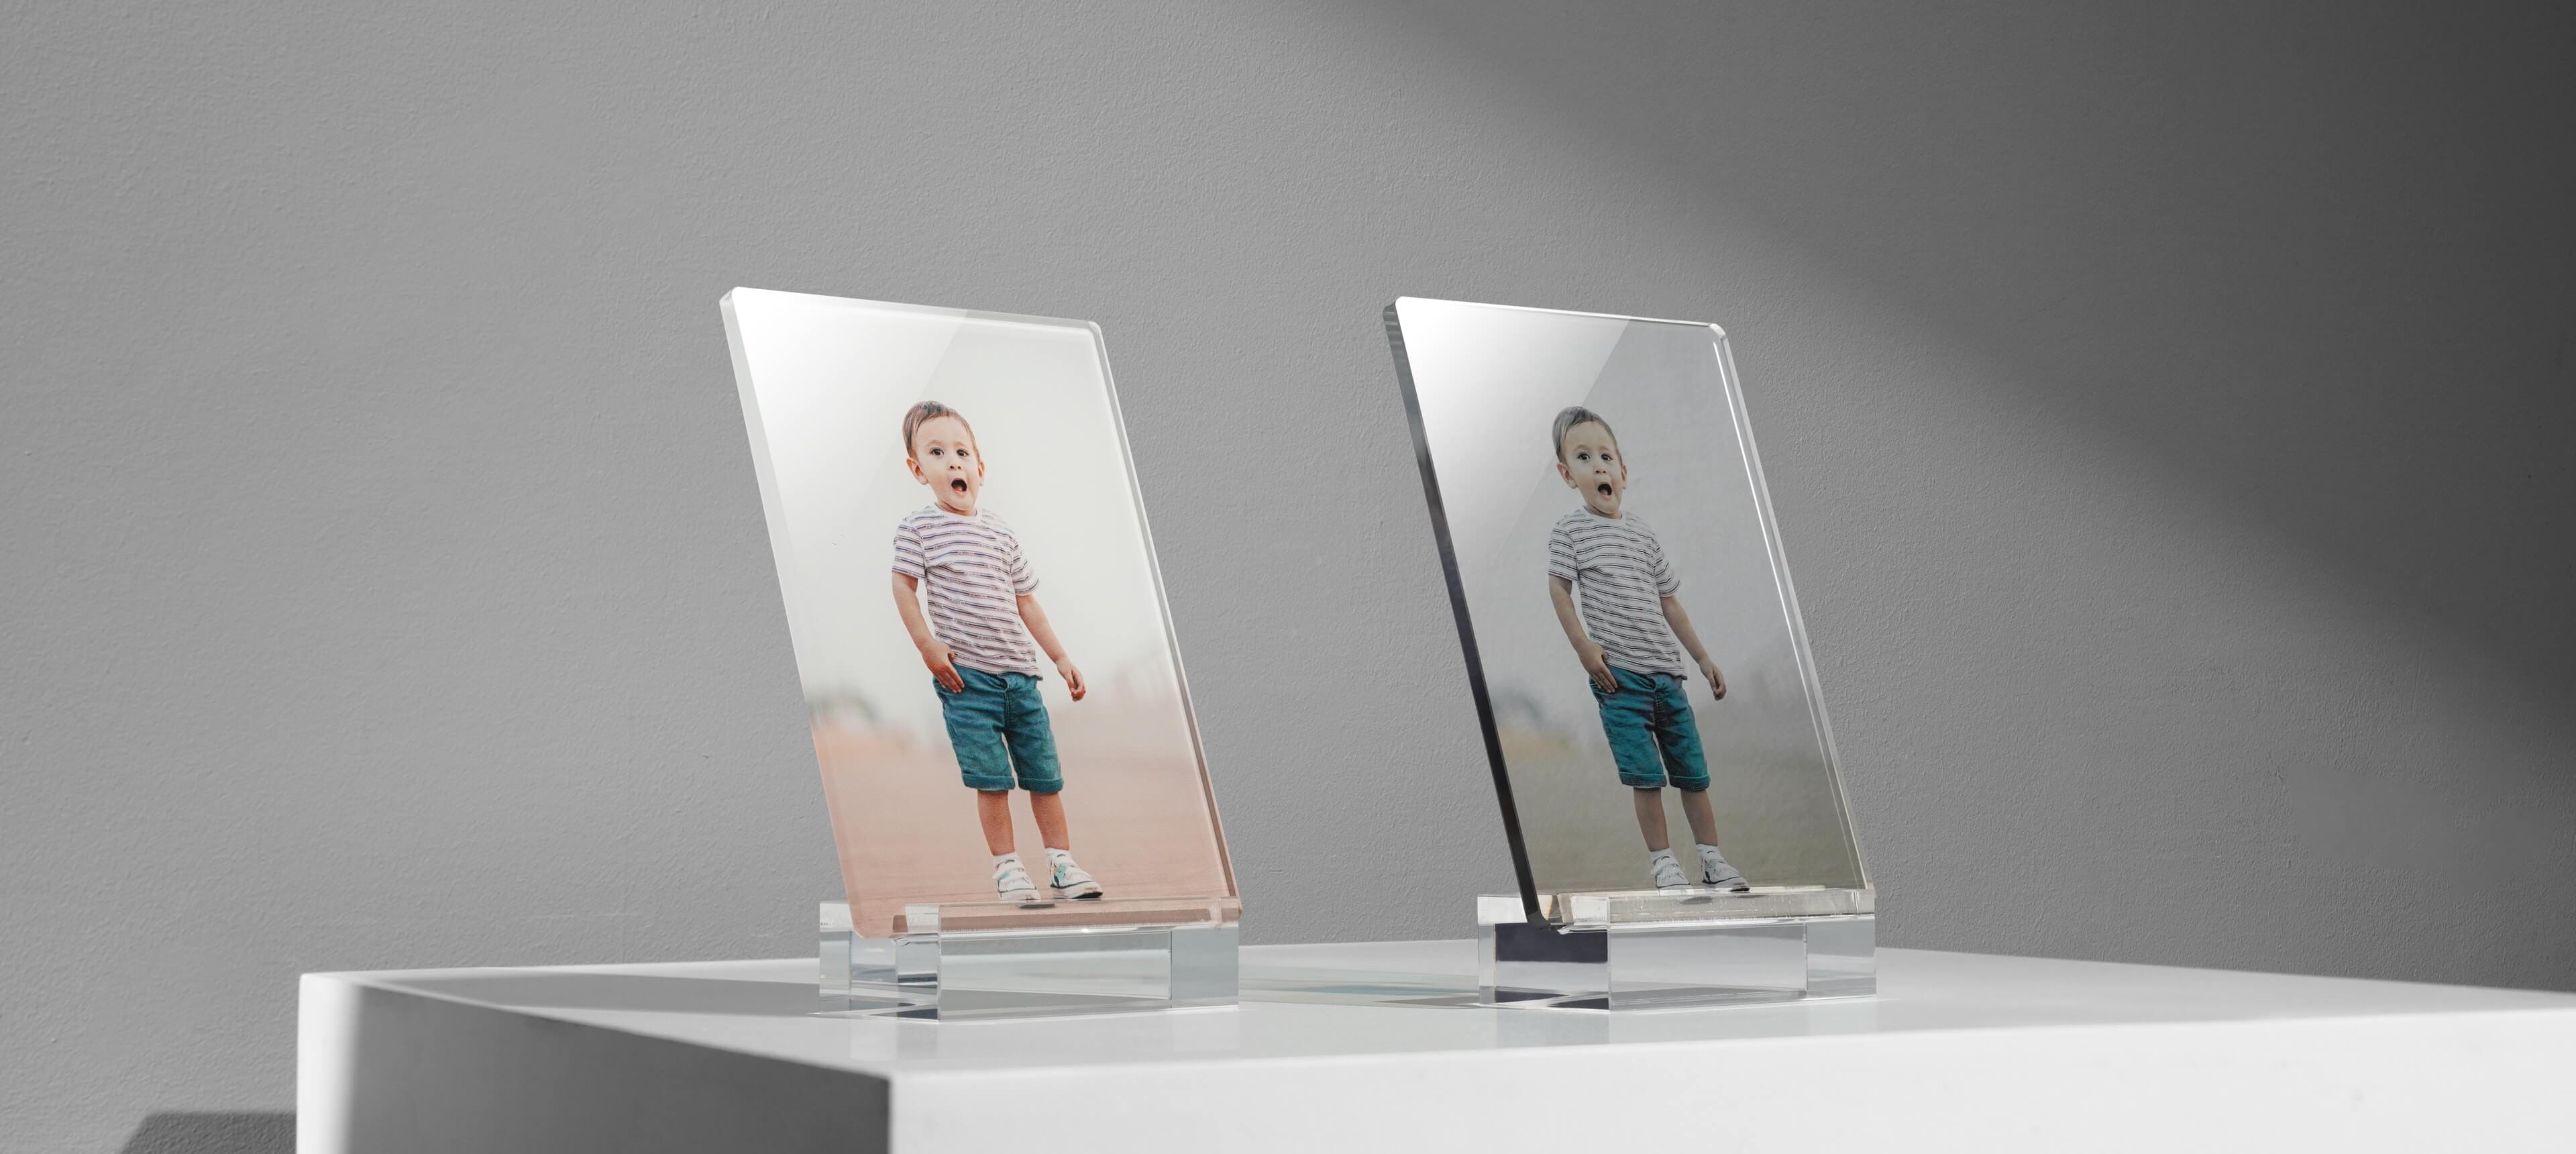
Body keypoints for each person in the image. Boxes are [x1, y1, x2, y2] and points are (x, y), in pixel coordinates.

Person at [890, 401, 1103, 902]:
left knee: (1045, 778)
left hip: (1021, 679)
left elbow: (1029, 604)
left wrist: (1061, 658)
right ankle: (1008, 868)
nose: (954, 463)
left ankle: (1061, 863)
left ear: (981, 468)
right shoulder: (918, 529)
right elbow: (903, 588)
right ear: (919, 470)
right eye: (938, 453)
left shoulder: (1002, 533)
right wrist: (927, 645)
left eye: (962, 452)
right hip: (967, 681)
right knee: (992, 781)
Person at [1544, 405, 1750, 892]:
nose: (1598, 466)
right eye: (1583, 457)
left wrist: (1702, 658)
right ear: (1567, 475)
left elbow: (1671, 603)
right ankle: (1664, 864)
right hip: (1620, 681)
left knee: (1694, 776)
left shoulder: (1643, 534)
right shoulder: (1570, 532)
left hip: (1668, 677)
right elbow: (1558, 591)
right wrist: (1583, 648)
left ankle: (1713, 860)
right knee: (1646, 778)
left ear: (1623, 471)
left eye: (1606, 456)